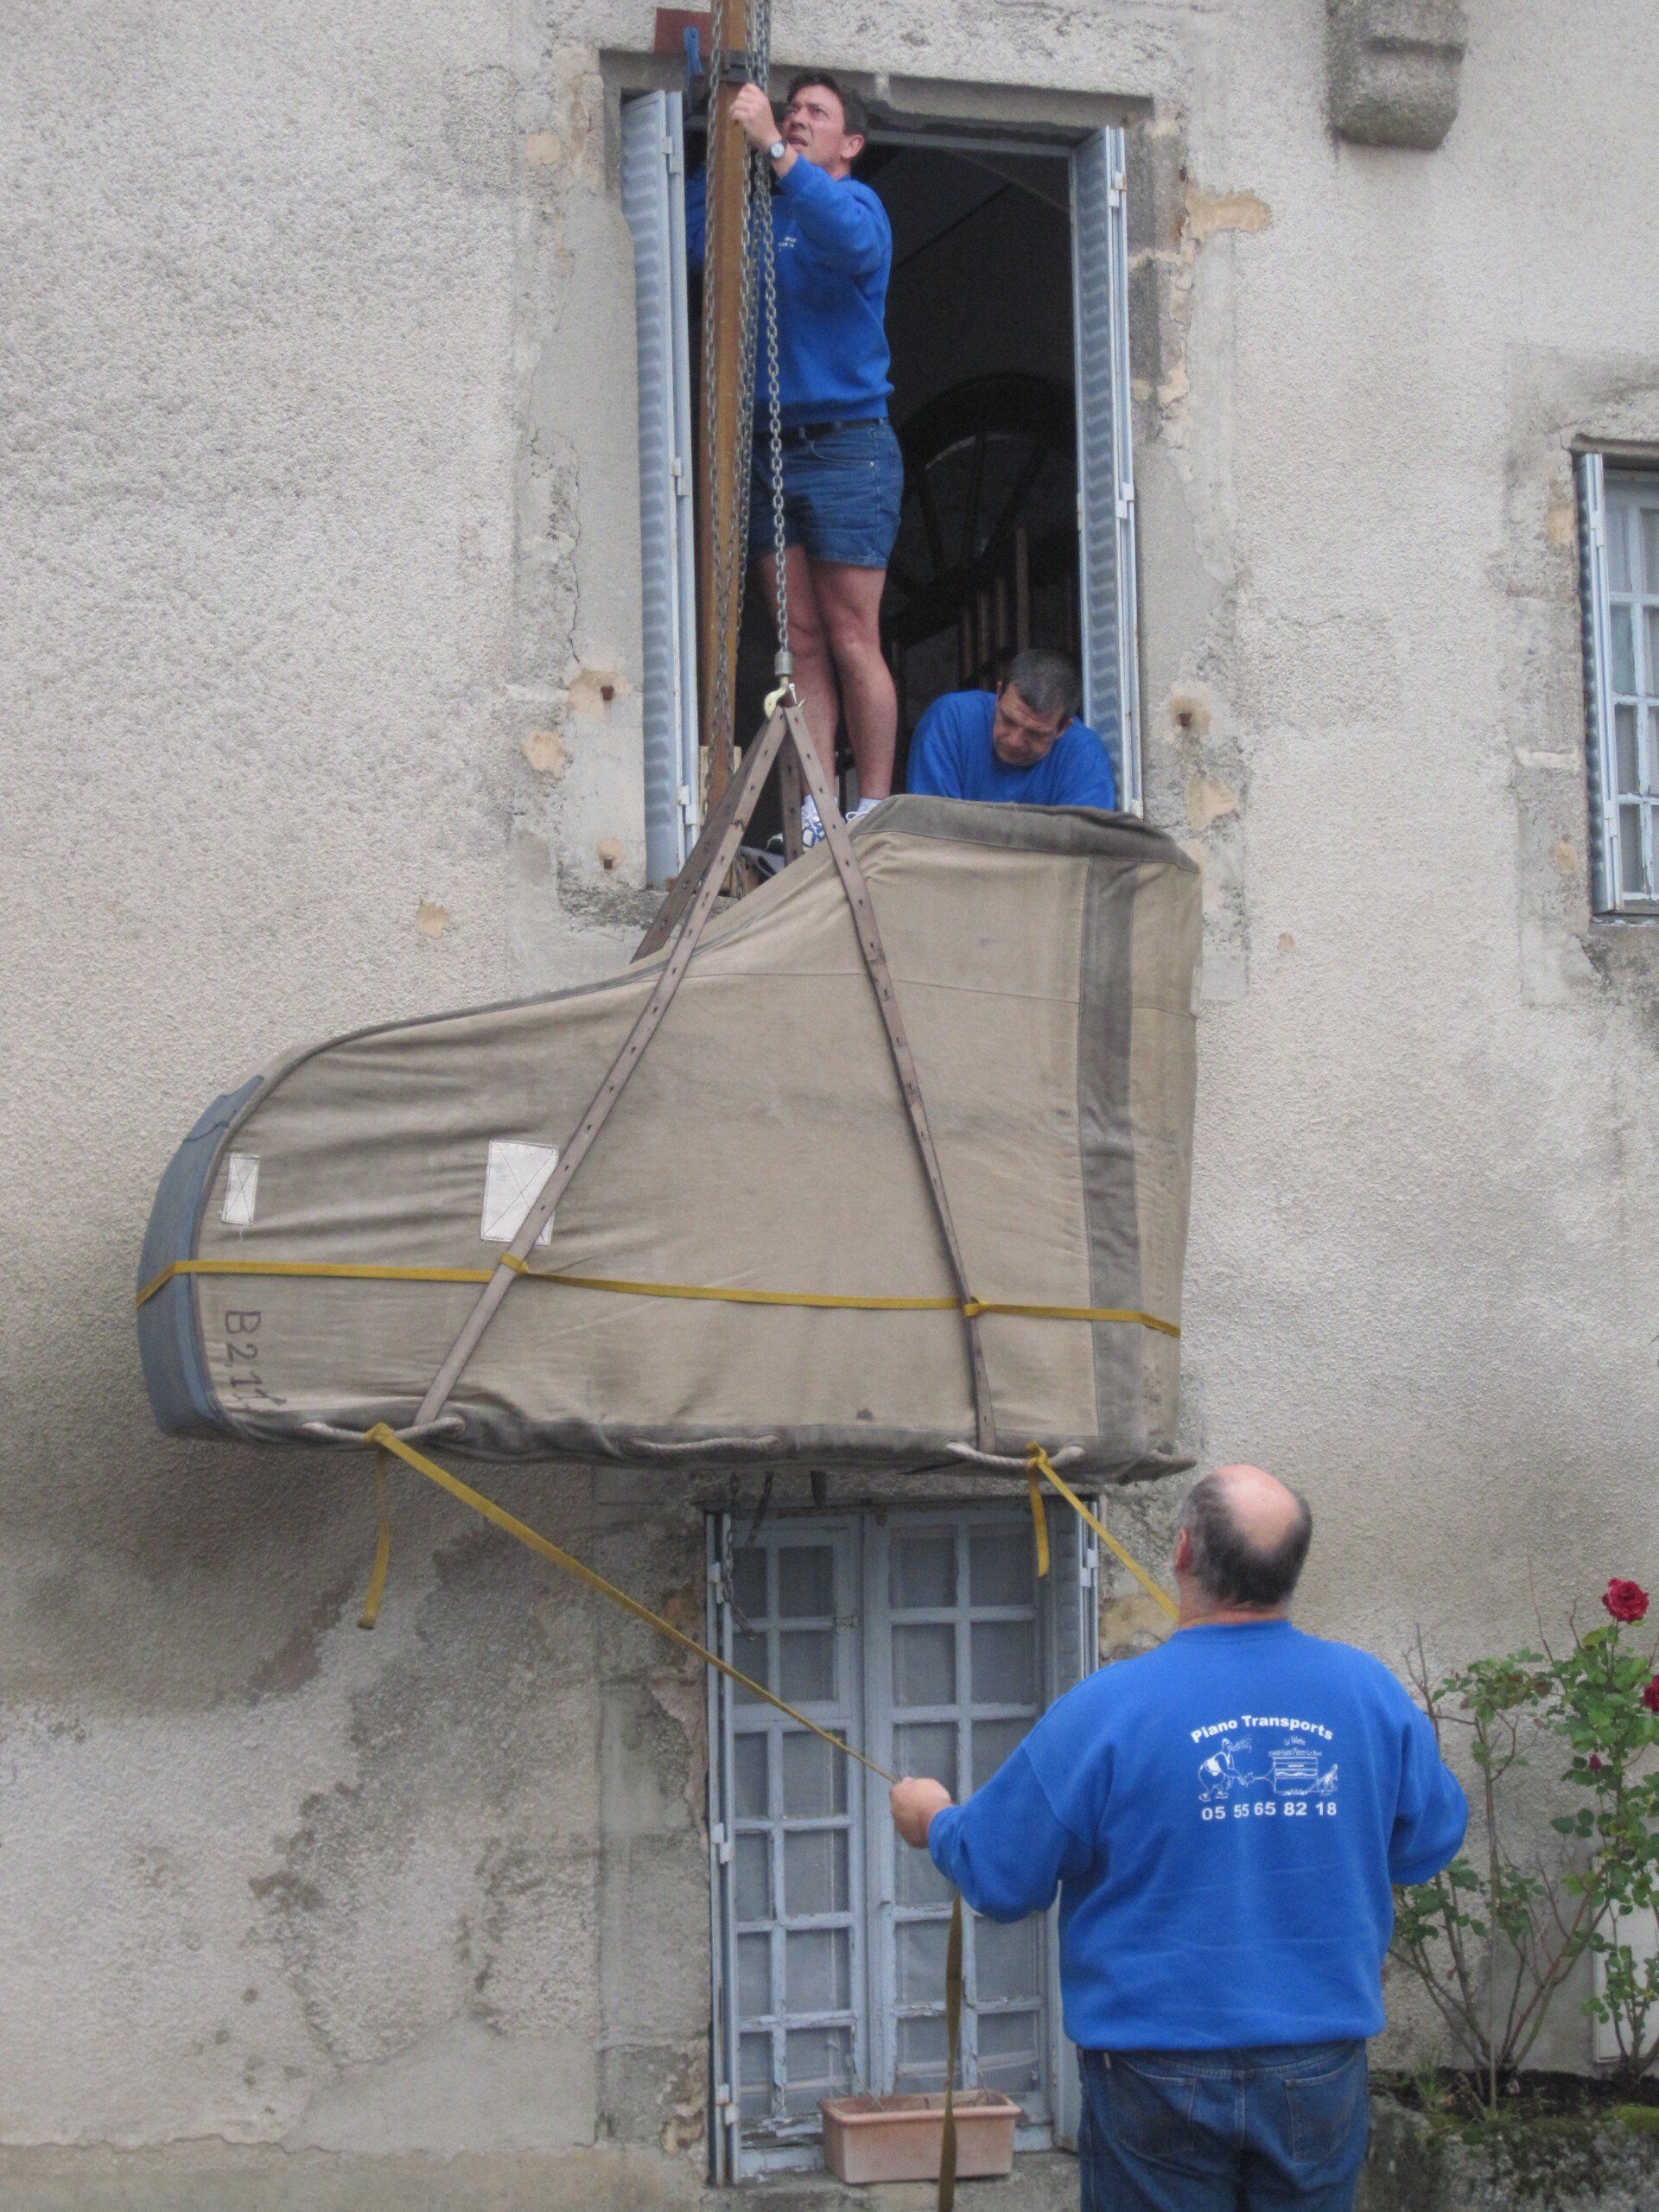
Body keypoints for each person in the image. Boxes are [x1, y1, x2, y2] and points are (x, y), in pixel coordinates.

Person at [889, 1465, 1467, 2212]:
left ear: (1183, 1551)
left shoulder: (1107, 1708)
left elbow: (1002, 1876)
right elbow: (1427, 1845)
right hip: (1317, 2068)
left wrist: (932, 1817)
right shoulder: (1369, 1694)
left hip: (1156, 2071)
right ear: (1291, 1569)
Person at [687, 72, 901, 838]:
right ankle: (817, 807)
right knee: (800, 638)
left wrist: (775, 149)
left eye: (817, 113)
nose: (799, 118)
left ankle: (872, 806)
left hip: (849, 447)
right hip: (775, 447)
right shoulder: (768, 211)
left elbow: (845, 241)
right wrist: (723, 152)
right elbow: (693, 239)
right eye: (793, 109)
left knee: (851, 636)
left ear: (850, 144)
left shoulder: (857, 208)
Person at [905, 649, 1118, 810]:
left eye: (1035, 734)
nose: (1015, 740)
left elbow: (1084, 854)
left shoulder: (1084, 753)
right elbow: (930, 834)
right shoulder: (951, 720)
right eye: (1008, 720)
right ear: (998, 694)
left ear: (1064, 727)